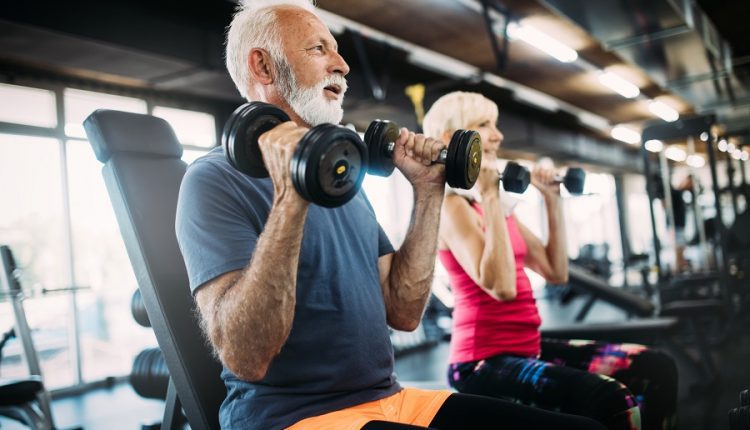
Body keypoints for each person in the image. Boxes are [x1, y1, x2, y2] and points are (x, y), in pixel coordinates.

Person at [175, 1, 608, 429]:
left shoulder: (341, 180)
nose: (342, 64)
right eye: (318, 49)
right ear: (263, 67)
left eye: (337, 49)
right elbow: (246, 356)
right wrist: (292, 196)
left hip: (391, 401)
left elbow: (403, 311)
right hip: (293, 419)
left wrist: (427, 190)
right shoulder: (212, 180)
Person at [423, 91, 679, 430]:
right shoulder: (453, 206)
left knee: (656, 367)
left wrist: (551, 200)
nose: (498, 135)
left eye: (495, 125)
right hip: (481, 362)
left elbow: (555, 272)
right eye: (484, 125)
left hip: (527, 347)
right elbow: (500, 287)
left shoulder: (497, 208)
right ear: (451, 139)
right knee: (611, 400)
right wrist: (490, 194)